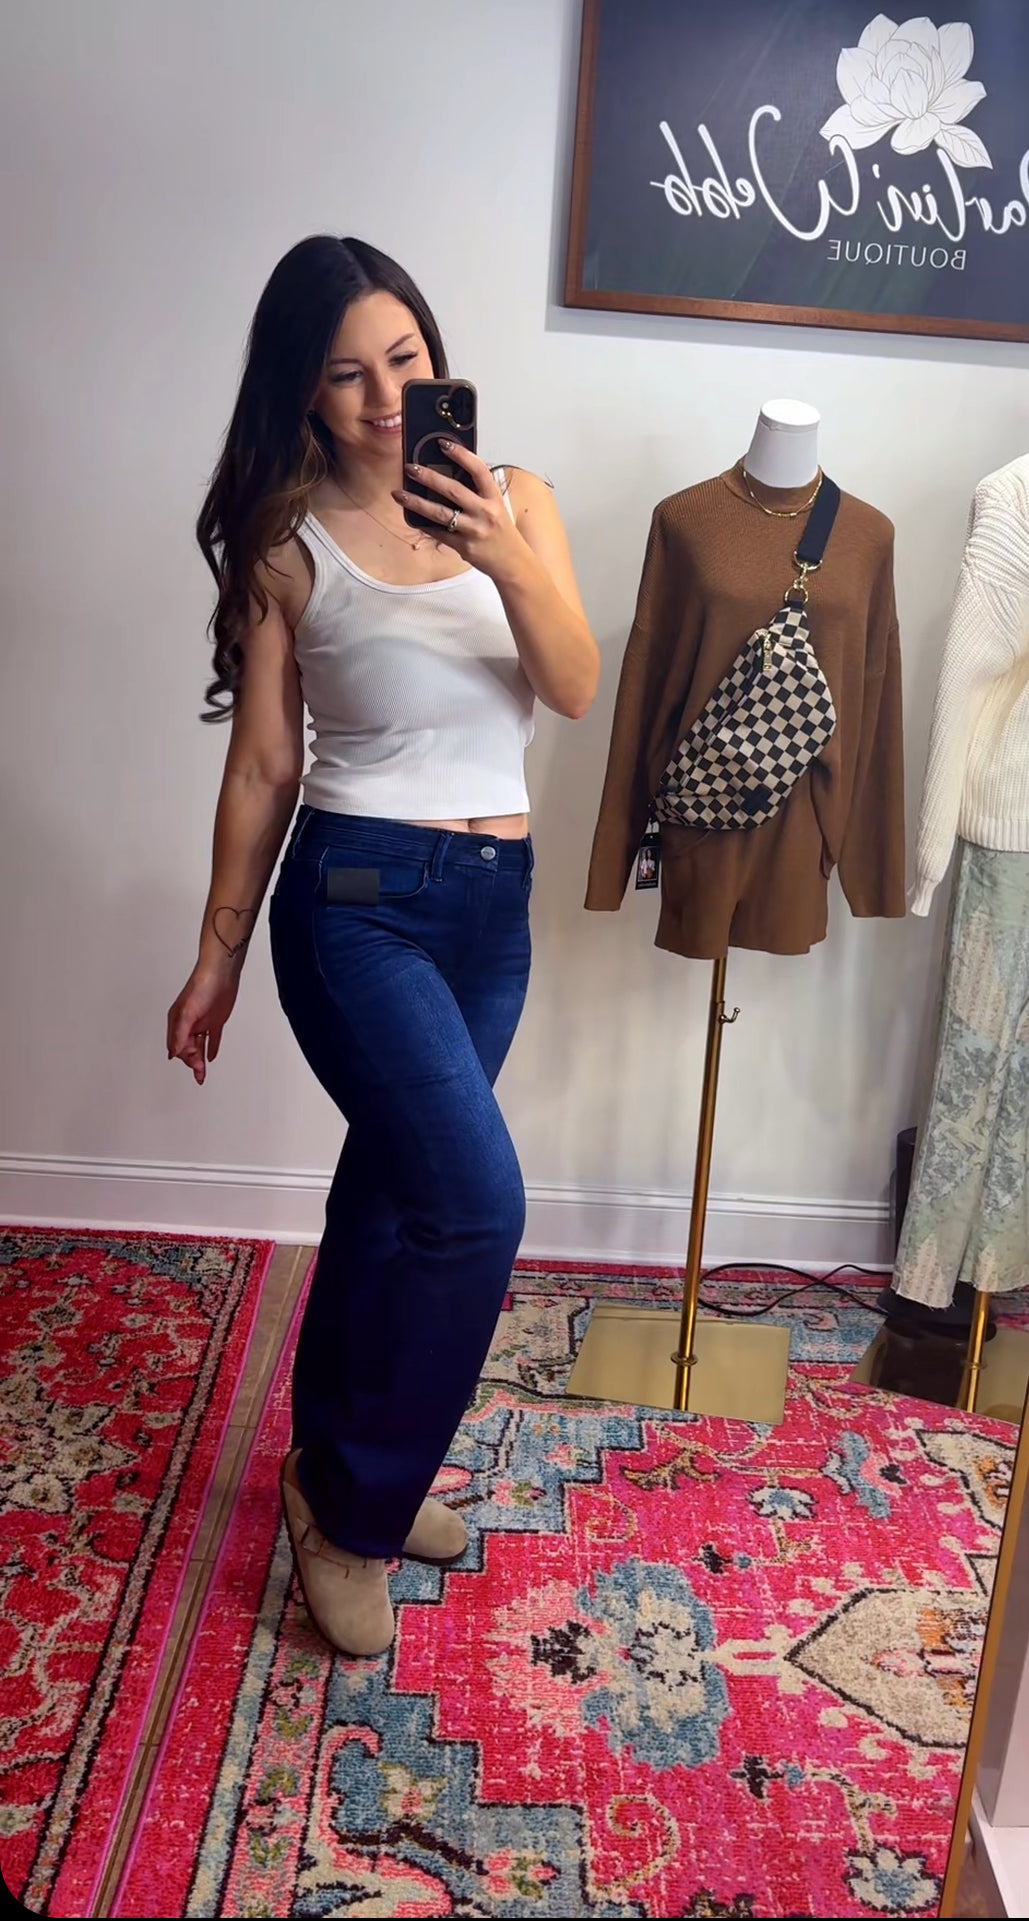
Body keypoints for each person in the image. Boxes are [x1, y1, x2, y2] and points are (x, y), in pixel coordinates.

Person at [166, 236, 599, 1657]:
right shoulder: (287, 547)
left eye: (404, 359)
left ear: (435, 353)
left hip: (490, 908)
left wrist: (496, 549)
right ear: (302, 390)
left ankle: (344, 1466)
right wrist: (219, 954)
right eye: (346, 373)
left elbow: (572, 684)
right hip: (353, 903)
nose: (383, 396)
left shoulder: (517, 499)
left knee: (396, 1200)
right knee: (474, 1206)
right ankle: (351, 1517)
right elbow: (262, 767)